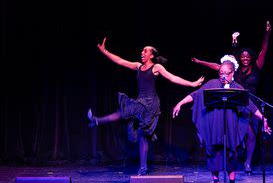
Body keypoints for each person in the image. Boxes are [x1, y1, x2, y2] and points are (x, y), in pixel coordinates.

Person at [87, 37, 204, 175]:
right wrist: (105, 51)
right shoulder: (138, 66)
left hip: (151, 103)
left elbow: (173, 78)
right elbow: (120, 61)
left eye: (145, 51)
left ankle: (97, 120)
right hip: (140, 101)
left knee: (127, 113)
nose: (142, 52)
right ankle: (143, 167)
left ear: (152, 55)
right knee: (142, 134)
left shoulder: (156, 67)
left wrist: (192, 84)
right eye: (142, 51)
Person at [172, 60, 272, 183]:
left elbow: (250, 106)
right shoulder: (212, 84)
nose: (223, 75)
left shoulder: (237, 88)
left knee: (232, 153)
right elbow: (196, 94)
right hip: (215, 126)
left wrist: (263, 118)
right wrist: (181, 102)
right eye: (221, 73)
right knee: (214, 153)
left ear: (233, 73)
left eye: (226, 73)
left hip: (230, 127)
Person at [191, 20, 272, 174]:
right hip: (237, 105)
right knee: (241, 132)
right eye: (242, 56)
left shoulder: (257, 68)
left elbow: (264, 50)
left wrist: (267, 34)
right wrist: (200, 61)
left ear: (252, 57)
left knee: (252, 136)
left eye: (248, 56)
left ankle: (247, 162)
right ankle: (232, 159)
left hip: (251, 103)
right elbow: (217, 66)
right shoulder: (234, 70)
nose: (245, 58)